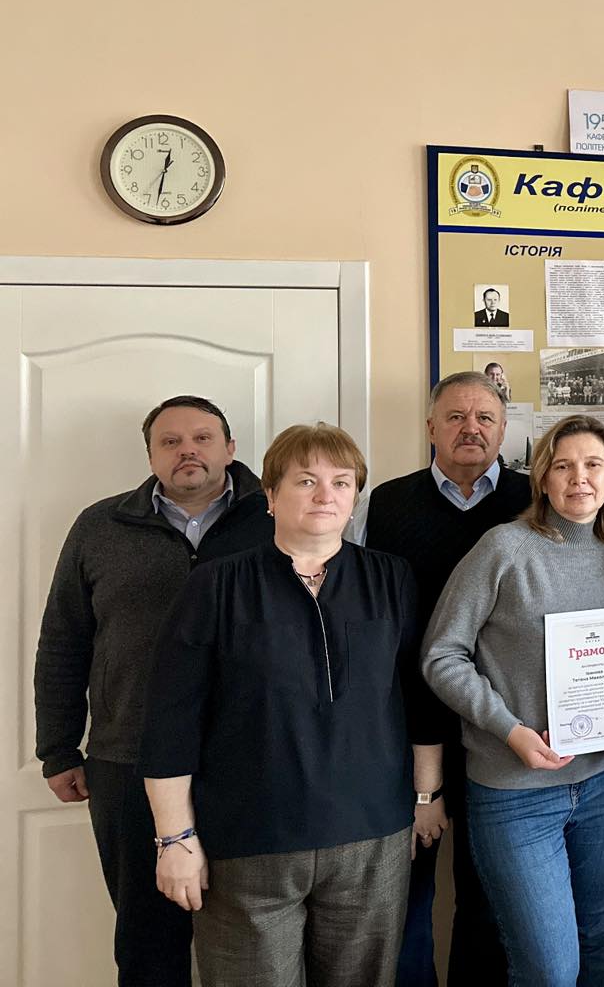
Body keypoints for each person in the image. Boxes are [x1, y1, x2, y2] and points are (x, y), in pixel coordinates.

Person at [139, 423, 446, 985]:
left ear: (355, 497)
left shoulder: (390, 578)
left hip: (371, 837)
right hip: (250, 842)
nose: (325, 495)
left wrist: (427, 795)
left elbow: (419, 696)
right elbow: (170, 720)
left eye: (341, 482)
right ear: (271, 495)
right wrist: (174, 838)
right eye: (306, 481)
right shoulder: (216, 585)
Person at [33, 396, 273, 985]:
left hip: (254, 760)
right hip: (127, 760)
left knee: (255, 941)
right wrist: (58, 749)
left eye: (202, 438)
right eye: (170, 442)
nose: (187, 450)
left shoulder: (275, 516)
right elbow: (64, 640)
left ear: (230, 449)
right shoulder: (100, 526)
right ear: (150, 456)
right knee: (147, 943)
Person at [422, 415, 604, 985]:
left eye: (593, 465)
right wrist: (510, 729)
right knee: (549, 969)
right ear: (543, 480)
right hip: (515, 793)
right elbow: (441, 656)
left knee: (597, 937)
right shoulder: (503, 548)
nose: (580, 478)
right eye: (563, 466)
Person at [356, 371, 534, 987]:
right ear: (431, 427)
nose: (471, 429)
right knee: (404, 892)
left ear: (504, 430)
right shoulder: (386, 503)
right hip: (405, 726)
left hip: (507, 726)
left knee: (489, 896)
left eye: (485, 418)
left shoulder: (533, 500)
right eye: (455, 416)